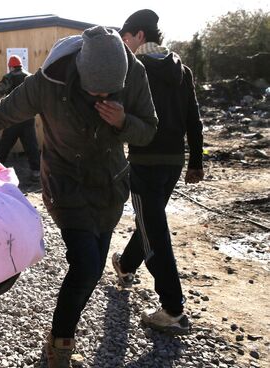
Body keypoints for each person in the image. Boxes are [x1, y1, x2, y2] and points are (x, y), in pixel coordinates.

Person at [0, 26, 157, 367]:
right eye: (95, 89)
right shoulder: (48, 82)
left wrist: (124, 120)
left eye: (109, 91)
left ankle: (56, 336)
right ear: (79, 70)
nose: (101, 96)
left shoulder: (134, 74)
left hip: (109, 186)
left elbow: (149, 129)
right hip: (65, 183)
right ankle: (60, 346)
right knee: (85, 265)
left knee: (93, 272)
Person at [111, 9, 204, 335]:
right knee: (151, 221)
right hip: (173, 162)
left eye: (126, 38)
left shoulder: (135, 69)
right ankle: (125, 265)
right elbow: (194, 118)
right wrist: (196, 162)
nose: (125, 45)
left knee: (154, 233)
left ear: (139, 35)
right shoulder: (183, 70)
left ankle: (172, 309)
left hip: (146, 161)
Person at [0, 55, 41, 181]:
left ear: (10, 66)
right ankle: (36, 172)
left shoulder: (9, 77)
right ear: (20, 65)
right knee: (31, 145)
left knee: (5, 144)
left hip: (12, 116)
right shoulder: (29, 76)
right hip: (28, 117)